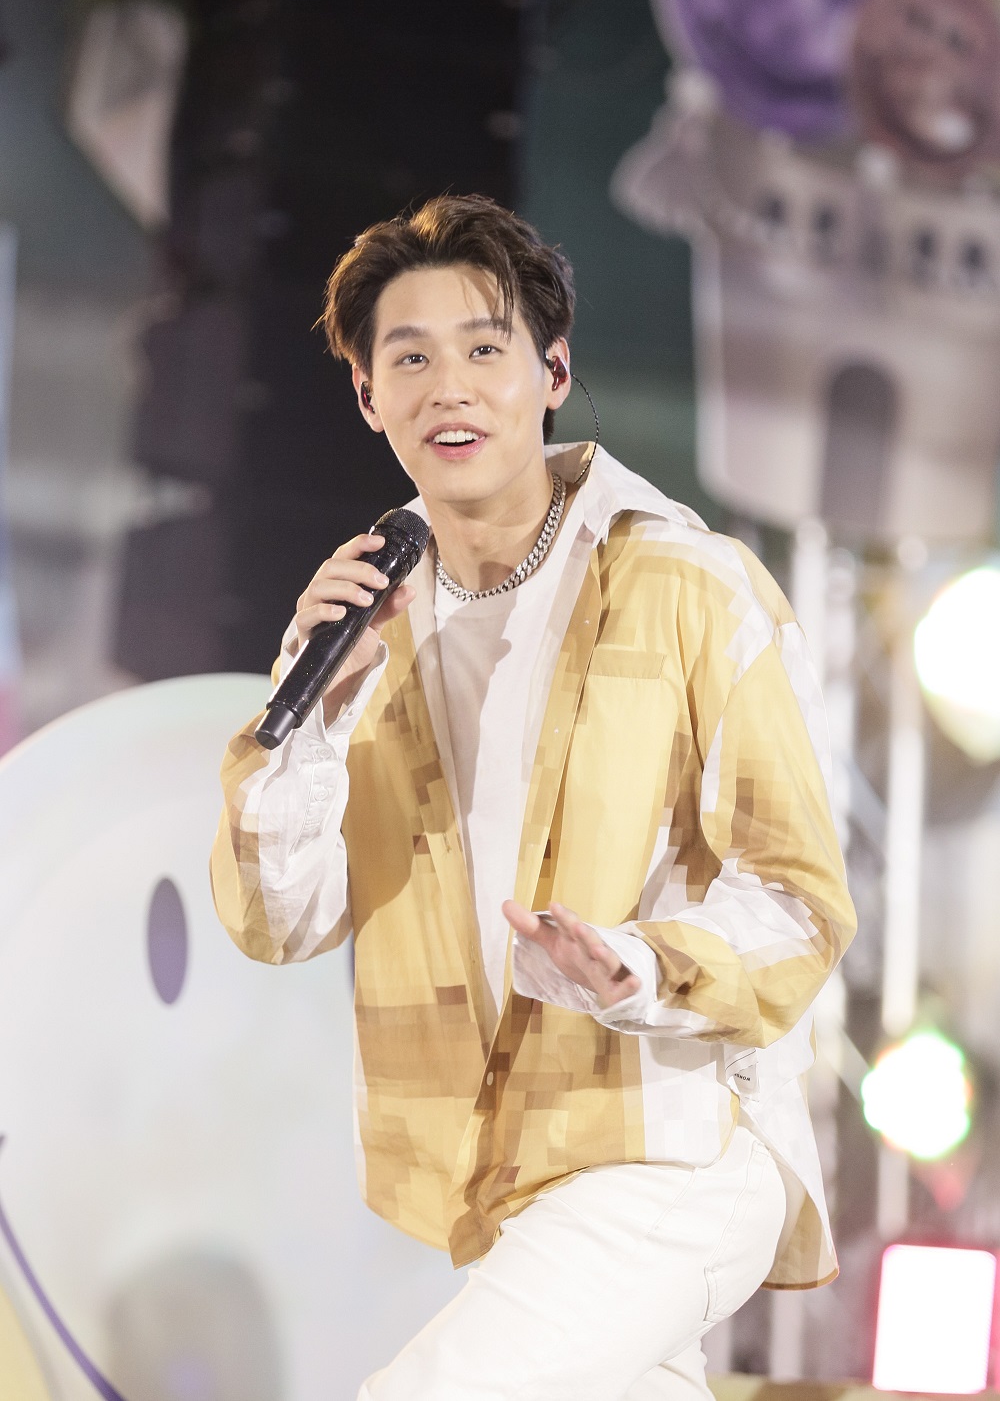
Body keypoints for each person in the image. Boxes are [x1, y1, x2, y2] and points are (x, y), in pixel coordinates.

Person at [210, 194, 856, 1401]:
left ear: (551, 371)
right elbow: (278, 920)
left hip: (677, 1148)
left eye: (483, 349)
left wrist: (636, 966)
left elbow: (799, 895)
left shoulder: (689, 585)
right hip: (502, 1184)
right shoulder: (365, 625)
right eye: (410, 359)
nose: (448, 388)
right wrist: (308, 715)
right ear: (367, 396)